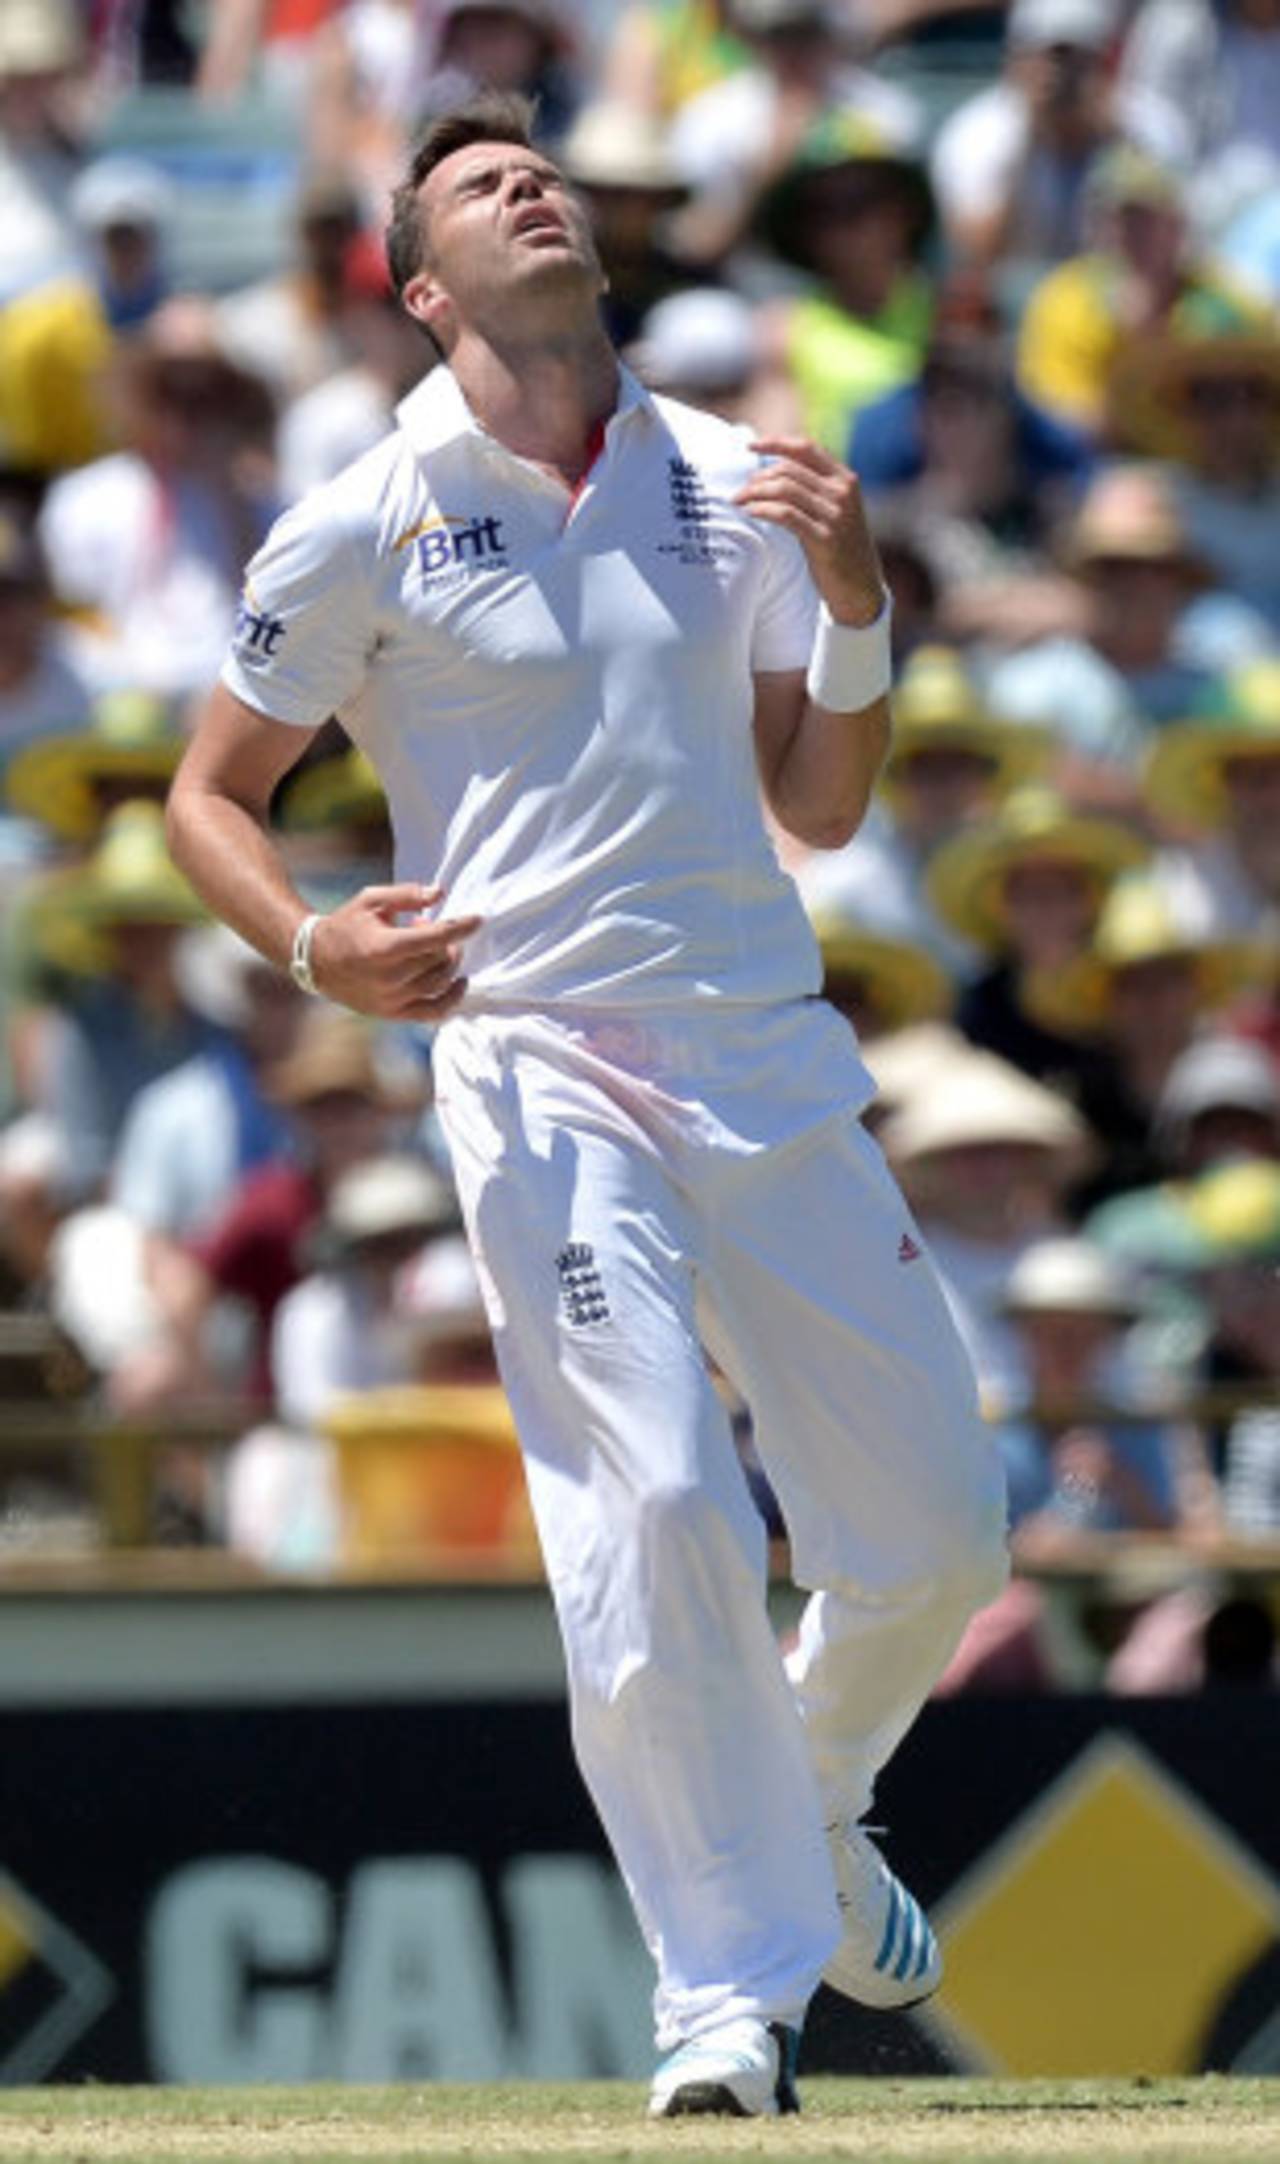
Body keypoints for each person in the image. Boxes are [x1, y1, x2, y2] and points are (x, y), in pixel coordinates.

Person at [165, 92, 1007, 2120]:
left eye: (541, 171)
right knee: (650, 1503)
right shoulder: (359, 515)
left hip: (767, 1058)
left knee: (937, 1542)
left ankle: (810, 1801)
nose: (528, 183)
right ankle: (726, 1993)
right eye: (476, 184)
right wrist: (311, 948)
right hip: (536, 1065)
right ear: (420, 281)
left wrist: (864, 600)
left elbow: (817, 802)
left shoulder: (741, 482)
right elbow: (207, 796)